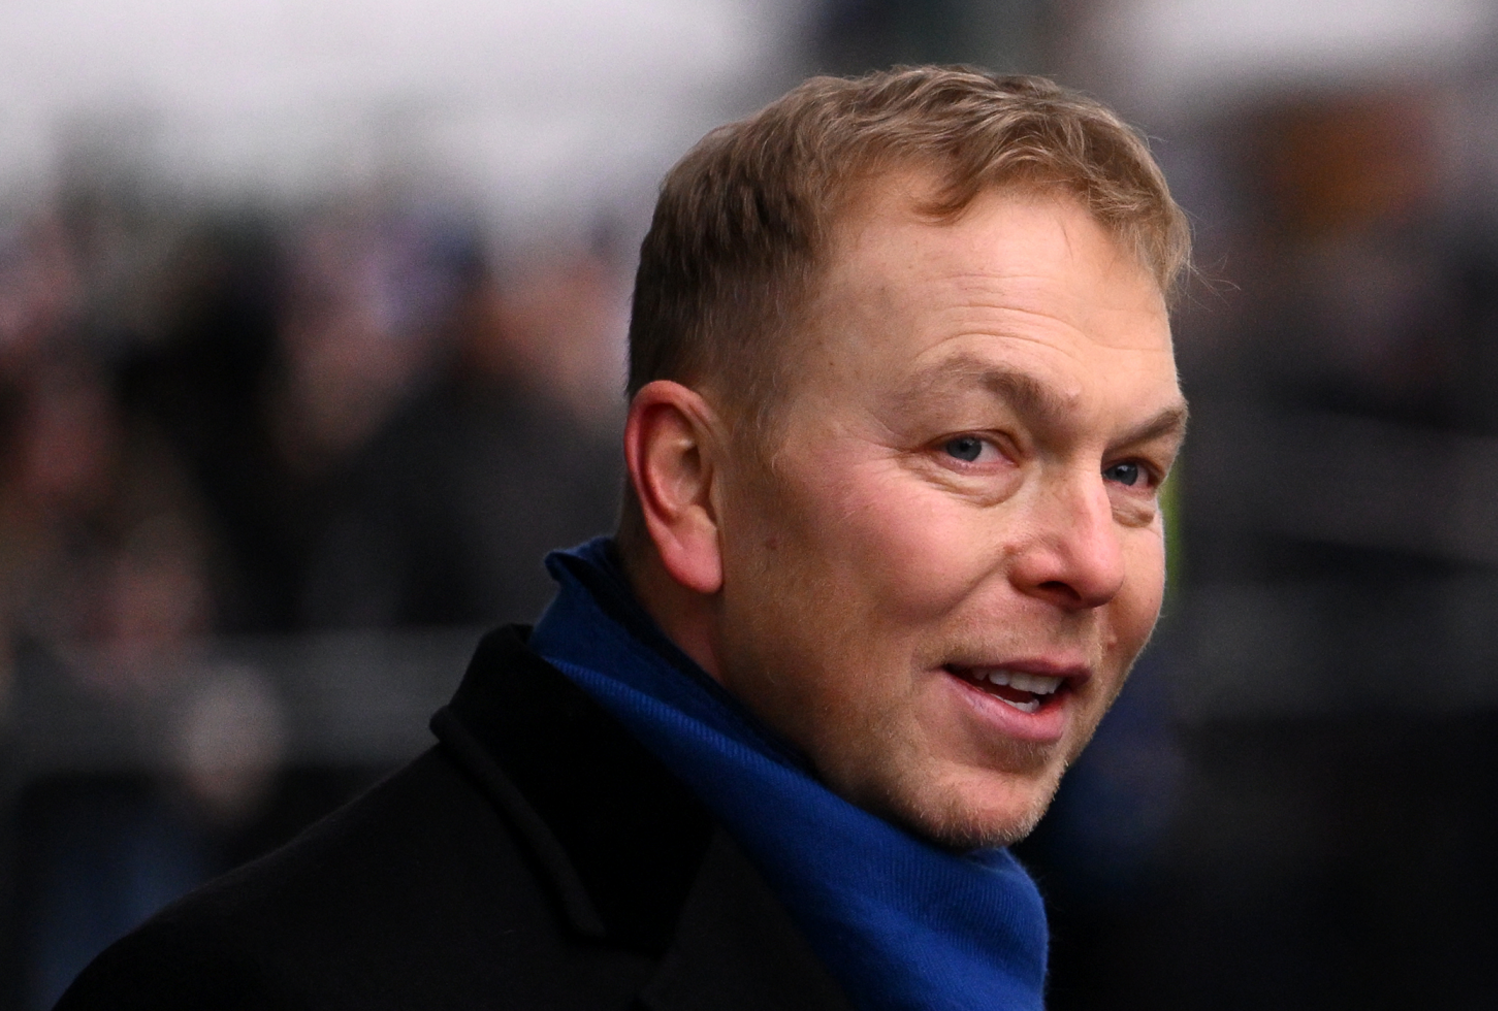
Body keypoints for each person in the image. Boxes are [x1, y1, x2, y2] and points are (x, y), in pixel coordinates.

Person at [53, 65, 1191, 1011]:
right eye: (974, 448)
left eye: (1133, 471)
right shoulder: (268, 992)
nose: (1094, 559)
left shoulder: (965, 939)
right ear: (691, 485)